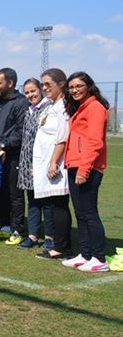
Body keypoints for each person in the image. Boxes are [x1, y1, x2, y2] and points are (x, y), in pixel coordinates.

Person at [61, 72, 110, 272]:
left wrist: (84, 169)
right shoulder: (79, 108)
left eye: (79, 86)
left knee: (89, 213)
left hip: (87, 167)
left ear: (89, 86)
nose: (74, 90)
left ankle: (99, 258)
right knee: (80, 213)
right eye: (71, 87)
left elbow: (95, 142)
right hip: (74, 165)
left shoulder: (95, 107)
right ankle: (85, 254)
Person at [0, 68, 29, 243]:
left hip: (13, 156)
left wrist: (2, 145)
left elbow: (22, 132)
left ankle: (17, 229)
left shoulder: (21, 103)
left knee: (15, 194)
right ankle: (2, 225)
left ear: (10, 83)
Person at [34, 69, 72, 260]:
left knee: (59, 205)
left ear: (61, 84)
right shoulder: (51, 105)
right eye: (43, 84)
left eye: (49, 84)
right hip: (46, 163)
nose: (45, 87)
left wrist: (53, 162)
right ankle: (59, 244)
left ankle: (62, 247)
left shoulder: (63, 107)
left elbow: (62, 137)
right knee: (53, 204)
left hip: (56, 164)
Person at [16, 79, 51, 248]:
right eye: (27, 92)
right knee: (32, 201)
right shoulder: (28, 111)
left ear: (40, 90)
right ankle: (33, 235)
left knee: (47, 203)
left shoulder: (48, 109)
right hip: (27, 162)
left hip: (42, 163)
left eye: (33, 91)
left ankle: (50, 238)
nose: (30, 95)